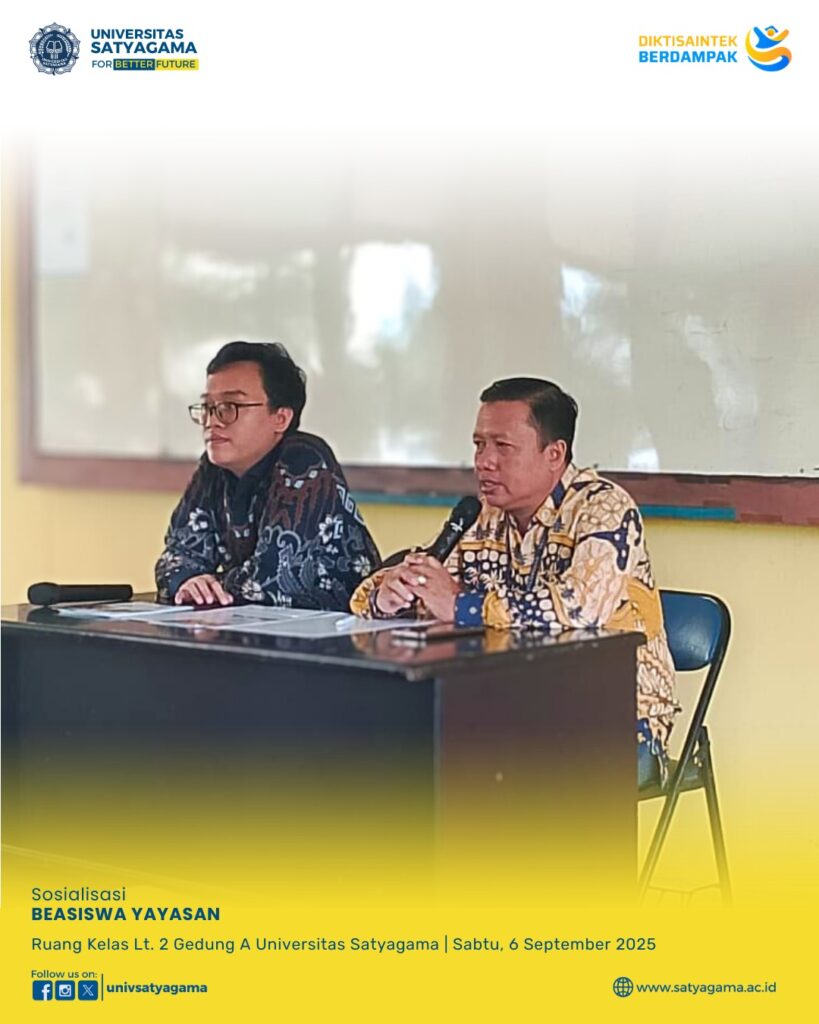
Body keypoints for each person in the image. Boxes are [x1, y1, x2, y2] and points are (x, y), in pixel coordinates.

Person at [350, 377, 678, 785]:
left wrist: (463, 605)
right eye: (479, 445)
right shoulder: (484, 516)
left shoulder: (603, 508)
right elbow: (431, 591)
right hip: (515, 709)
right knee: (390, 745)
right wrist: (388, 597)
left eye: (502, 446)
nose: (484, 461)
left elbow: (582, 609)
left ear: (554, 454)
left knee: (481, 773)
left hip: (614, 719)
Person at [155, 341, 380, 609]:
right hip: (254, 624)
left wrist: (209, 586)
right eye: (208, 407)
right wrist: (188, 581)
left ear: (280, 418)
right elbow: (177, 557)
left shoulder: (305, 459)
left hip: (339, 627)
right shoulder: (214, 467)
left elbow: (272, 578)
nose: (212, 420)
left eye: (230, 406)